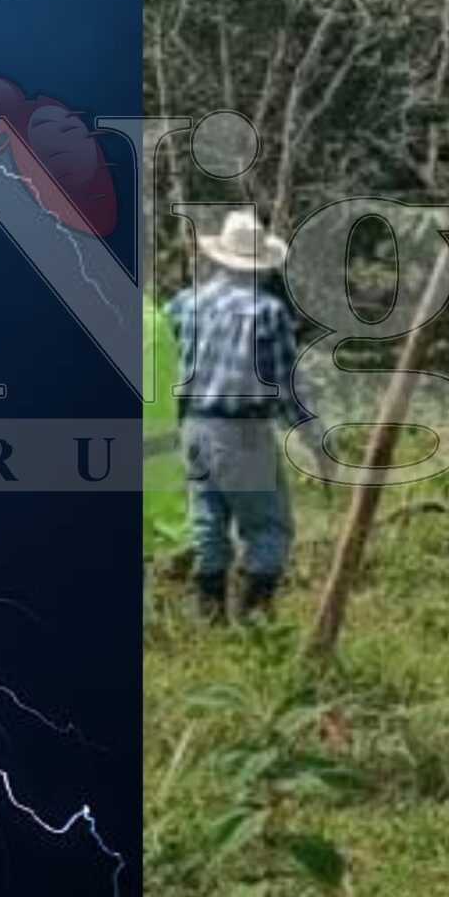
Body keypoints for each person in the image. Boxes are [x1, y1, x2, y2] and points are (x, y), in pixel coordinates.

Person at [165, 208, 301, 622]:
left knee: (208, 521)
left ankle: (211, 618)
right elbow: (282, 382)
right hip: (243, 429)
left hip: (194, 425)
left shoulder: (185, 304)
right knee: (267, 526)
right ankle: (256, 621)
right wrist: (311, 433)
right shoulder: (267, 312)